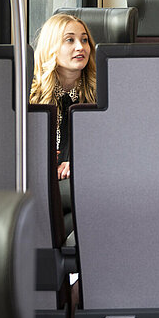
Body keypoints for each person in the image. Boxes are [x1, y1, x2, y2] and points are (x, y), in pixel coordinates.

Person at [30, 13, 97, 244]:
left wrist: (80, 161)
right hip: (41, 182)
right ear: (51, 47)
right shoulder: (30, 96)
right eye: (69, 40)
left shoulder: (103, 94)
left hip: (84, 182)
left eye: (85, 39)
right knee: (71, 218)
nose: (80, 47)